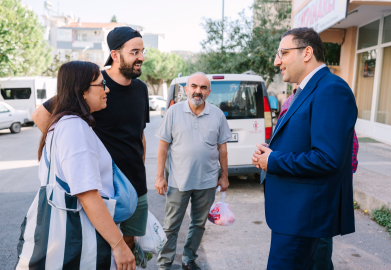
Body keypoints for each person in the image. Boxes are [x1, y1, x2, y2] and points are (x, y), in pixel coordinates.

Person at [32, 27, 150, 256]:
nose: (141, 57)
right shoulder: (93, 84)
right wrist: (72, 152)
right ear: (115, 55)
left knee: (129, 246)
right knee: (102, 249)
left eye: (143, 51)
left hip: (135, 184)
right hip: (102, 190)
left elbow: (139, 134)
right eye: (135, 51)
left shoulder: (141, 89)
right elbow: (40, 115)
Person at [252, 27, 357, 270]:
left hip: (303, 217)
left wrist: (274, 160)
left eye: (283, 53)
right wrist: (270, 151)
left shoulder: (331, 89)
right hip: (293, 215)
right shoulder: (307, 90)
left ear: (307, 52)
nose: (277, 61)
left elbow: (328, 158)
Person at [17, 61, 136, 269]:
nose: (107, 90)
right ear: (82, 91)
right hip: (80, 237)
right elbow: (87, 194)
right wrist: (119, 245)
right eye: (101, 85)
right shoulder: (74, 127)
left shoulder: (60, 125)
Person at [276, 88, 360, 270]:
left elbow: (347, 147)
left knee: (320, 244)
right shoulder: (290, 100)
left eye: (283, 56)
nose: (279, 62)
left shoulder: (326, 97)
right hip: (295, 188)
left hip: (319, 189)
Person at [154, 72, 232, 270]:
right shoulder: (173, 112)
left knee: (198, 225)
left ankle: (189, 259)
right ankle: (164, 264)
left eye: (203, 87)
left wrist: (224, 176)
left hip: (207, 182)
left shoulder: (217, 114)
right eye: (194, 86)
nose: (198, 91)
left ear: (209, 91)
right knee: (171, 226)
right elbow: (163, 146)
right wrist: (160, 177)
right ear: (186, 89)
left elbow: (222, 147)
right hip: (178, 182)